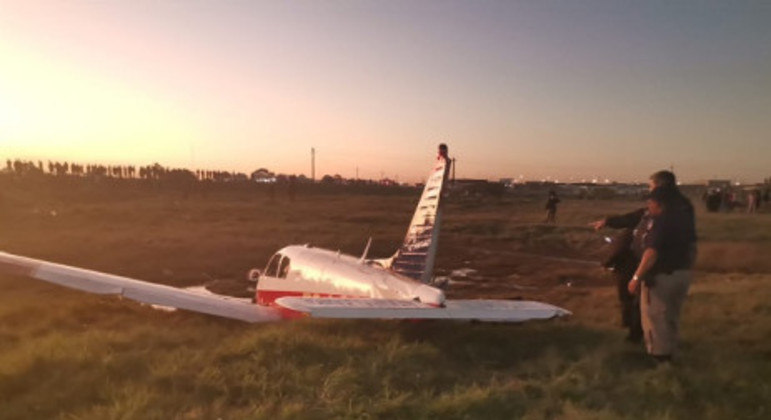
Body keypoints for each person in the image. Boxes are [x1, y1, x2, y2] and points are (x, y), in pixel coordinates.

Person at [591, 170, 694, 343]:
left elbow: (654, 249)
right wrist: (608, 221)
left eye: (651, 186)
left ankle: (655, 350)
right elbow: (633, 217)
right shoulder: (655, 208)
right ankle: (637, 333)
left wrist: (638, 276)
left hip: (654, 267)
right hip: (640, 261)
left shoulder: (668, 212)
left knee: (649, 307)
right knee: (634, 300)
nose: (649, 190)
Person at [628, 187, 696, 363]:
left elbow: (651, 253)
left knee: (655, 319)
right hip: (682, 274)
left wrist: (636, 277)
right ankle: (671, 352)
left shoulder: (661, 222)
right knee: (671, 316)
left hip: (661, 278)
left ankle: (659, 359)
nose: (648, 206)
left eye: (650, 202)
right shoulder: (684, 219)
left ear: (659, 203)